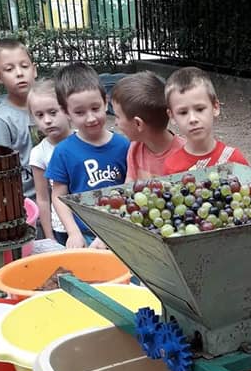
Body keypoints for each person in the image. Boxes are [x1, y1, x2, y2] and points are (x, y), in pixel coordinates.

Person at [46, 62, 129, 248]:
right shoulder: (63, 152)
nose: (90, 118)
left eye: (95, 108)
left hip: (119, 232)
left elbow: (130, 191)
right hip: (84, 236)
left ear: (106, 102)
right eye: (80, 112)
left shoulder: (124, 146)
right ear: (66, 112)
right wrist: (73, 232)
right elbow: (58, 197)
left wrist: (111, 232)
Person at [162, 67, 248, 173]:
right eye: (183, 112)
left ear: (215, 107)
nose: (192, 119)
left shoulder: (234, 160)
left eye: (200, 109)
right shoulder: (172, 167)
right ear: (172, 116)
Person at [0, 37, 38, 200]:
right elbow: (1, 172)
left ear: (34, 70)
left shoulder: (50, 107)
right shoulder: (1, 120)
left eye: (24, 66)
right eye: (9, 69)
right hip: (25, 202)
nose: (19, 73)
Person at [110, 71, 185, 180]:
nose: (115, 123)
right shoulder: (134, 149)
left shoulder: (187, 153)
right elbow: (129, 186)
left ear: (138, 123)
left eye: (117, 116)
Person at [28, 80, 72, 243]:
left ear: (67, 110)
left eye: (53, 112)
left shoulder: (84, 142)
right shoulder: (39, 153)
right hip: (61, 227)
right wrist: (49, 237)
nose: (47, 120)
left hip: (89, 224)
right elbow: (43, 198)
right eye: (40, 115)